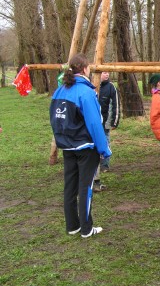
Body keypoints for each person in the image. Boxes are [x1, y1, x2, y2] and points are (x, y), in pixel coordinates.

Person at [49, 53, 111, 238]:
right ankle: (86, 229)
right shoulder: (86, 92)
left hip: (67, 146)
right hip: (85, 148)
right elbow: (94, 124)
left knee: (70, 187)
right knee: (86, 187)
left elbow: (54, 120)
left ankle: (72, 226)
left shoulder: (60, 90)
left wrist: (62, 140)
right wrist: (103, 148)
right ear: (85, 69)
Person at [93, 71, 120, 192]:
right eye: (104, 73)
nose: (107, 75)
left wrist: (115, 121)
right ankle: (95, 165)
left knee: (105, 141)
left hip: (106, 120)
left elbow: (116, 104)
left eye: (108, 72)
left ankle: (105, 164)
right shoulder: (92, 85)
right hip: (94, 121)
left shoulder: (111, 87)